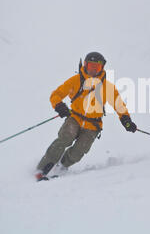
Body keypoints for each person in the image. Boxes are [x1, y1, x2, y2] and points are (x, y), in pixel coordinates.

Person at [35, 52, 137, 181]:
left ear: (102, 68)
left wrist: (126, 120)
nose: (93, 70)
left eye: (97, 67)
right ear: (85, 65)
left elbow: (119, 105)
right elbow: (56, 94)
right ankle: (41, 170)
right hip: (75, 118)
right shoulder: (76, 80)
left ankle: (61, 167)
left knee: (78, 151)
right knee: (65, 139)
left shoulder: (107, 87)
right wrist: (59, 105)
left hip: (93, 125)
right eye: (91, 66)